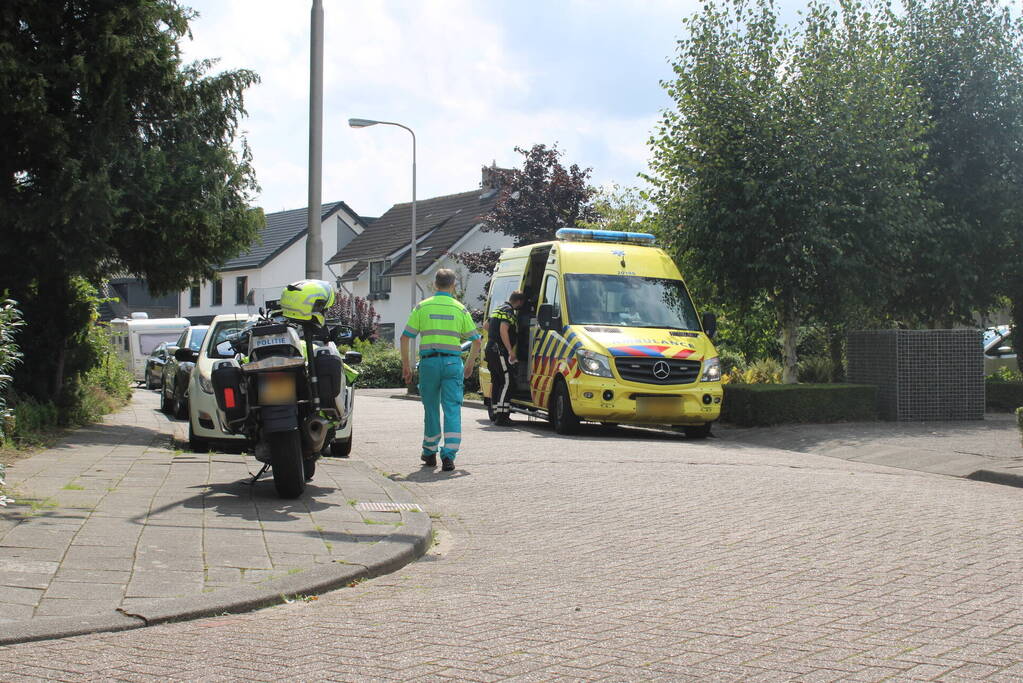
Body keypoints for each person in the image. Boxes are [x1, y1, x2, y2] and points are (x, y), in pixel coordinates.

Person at [400, 269, 481, 472]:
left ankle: (429, 452)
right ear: (453, 285)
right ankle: (449, 456)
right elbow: (476, 340)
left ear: (435, 285)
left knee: (431, 408)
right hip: (453, 364)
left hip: (429, 364)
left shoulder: (422, 307)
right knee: (452, 409)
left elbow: (405, 337)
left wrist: (407, 366)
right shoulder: (460, 309)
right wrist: (470, 364)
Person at [485, 290, 526, 426]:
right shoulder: (508, 311)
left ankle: (496, 413)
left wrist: (493, 336)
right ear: (519, 302)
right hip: (499, 350)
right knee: (508, 381)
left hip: (490, 348)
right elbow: (503, 329)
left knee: (497, 380)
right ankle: (502, 416)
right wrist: (510, 350)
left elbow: (486, 325)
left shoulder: (498, 308)